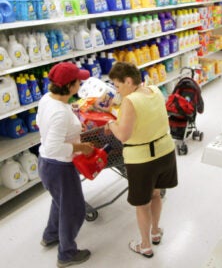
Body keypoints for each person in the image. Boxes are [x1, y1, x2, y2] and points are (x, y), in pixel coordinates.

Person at [105, 62, 178, 258]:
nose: (117, 91)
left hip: (143, 160)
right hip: (165, 152)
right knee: (155, 194)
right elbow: (144, 117)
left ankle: (145, 245)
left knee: (142, 204)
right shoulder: (153, 90)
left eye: (118, 86)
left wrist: (111, 123)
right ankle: (155, 232)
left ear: (128, 81)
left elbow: (123, 136)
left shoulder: (130, 102)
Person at [36, 62, 94, 268]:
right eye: (78, 81)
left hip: (46, 164)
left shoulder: (48, 99)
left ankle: (51, 235)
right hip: (58, 166)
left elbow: (43, 124)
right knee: (74, 209)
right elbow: (54, 147)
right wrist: (80, 147)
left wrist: (73, 122)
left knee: (60, 202)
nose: (81, 83)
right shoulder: (60, 112)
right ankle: (66, 254)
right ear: (69, 86)